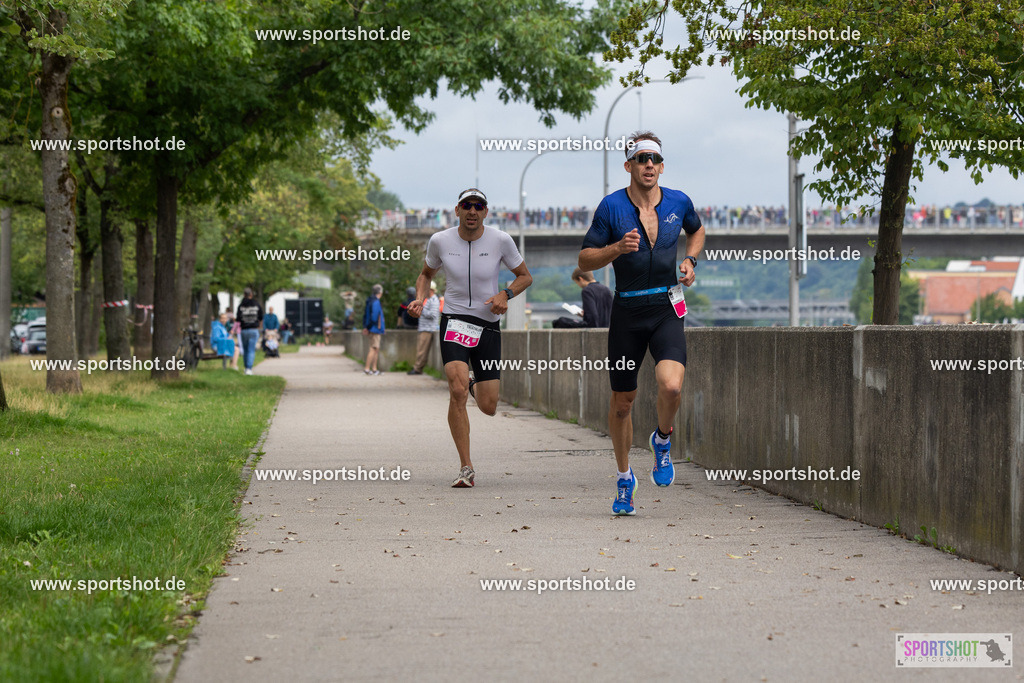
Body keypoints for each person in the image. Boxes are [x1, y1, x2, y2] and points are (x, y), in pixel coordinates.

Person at [578, 131, 705, 515]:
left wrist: (690, 261)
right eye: (641, 158)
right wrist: (615, 248)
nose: (648, 164)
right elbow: (584, 260)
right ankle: (623, 479)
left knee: (671, 387)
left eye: (654, 159)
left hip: (666, 307)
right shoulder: (611, 207)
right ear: (629, 165)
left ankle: (662, 441)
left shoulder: (679, 201)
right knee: (622, 403)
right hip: (627, 312)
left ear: (661, 166)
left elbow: (696, 230)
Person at [408, 188, 532, 488]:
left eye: (479, 206)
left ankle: (474, 383)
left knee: (489, 406)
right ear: (457, 210)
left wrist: (506, 294)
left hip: (487, 322)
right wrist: (421, 298)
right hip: (454, 320)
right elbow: (426, 274)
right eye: (467, 206)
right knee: (457, 389)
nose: (472, 211)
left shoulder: (501, 240)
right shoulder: (440, 241)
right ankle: (466, 466)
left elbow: (525, 275)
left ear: (486, 212)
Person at [408, 281, 440, 375]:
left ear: (430, 290)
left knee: (421, 351)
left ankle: (417, 369)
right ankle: (418, 368)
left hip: (428, 329)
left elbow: (433, 315)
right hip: (424, 328)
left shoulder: (434, 300)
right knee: (420, 350)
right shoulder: (429, 300)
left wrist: (421, 310)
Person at [236, 287, 264, 375]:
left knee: (245, 349)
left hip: (244, 330)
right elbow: (261, 317)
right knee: (251, 349)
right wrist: (259, 326)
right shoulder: (256, 304)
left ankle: (246, 368)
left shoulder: (241, 305)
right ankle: (249, 368)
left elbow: (238, 319)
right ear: (251, 294)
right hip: (253, 330)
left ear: (244, 295)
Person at [362, 285, 384, 375]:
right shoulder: (375, 302)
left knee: (376, 348)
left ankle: (374, 369)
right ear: (380, 292)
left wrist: (366, 326)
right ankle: (367, 368)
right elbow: (374, 316)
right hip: (375, 328)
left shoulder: (370, 301)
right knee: (373, 348)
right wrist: (369, 327)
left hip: (372, 328)